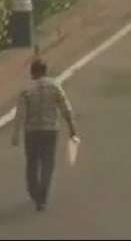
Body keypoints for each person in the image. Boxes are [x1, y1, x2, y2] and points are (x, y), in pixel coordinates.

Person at [11, 59, 79, 211]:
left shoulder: (26, 89)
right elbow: (65, 108)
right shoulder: (55, 86)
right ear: (46, 71)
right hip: (50, 130)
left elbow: (20, 115)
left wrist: (15, 135)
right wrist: (72, 127)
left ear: (32, 72)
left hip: (32, 131)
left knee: (32, 163)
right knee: (48, 163)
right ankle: (43, 195)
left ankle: (34, 192)